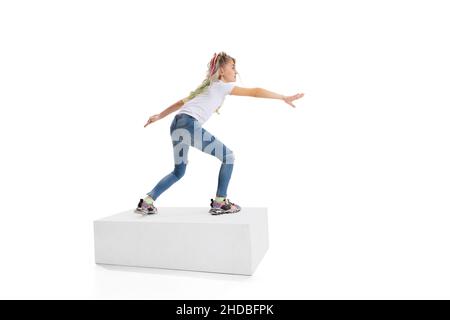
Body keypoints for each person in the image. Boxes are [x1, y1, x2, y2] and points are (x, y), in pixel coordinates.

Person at [135, 51, 304, 215]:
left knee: (178, 172)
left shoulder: (207, 87)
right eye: (232, 66)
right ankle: (220, 202)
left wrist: (159, 116)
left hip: (177, 125)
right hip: (188, 125)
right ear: (222, 71)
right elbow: (255, 92)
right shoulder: (222, 86)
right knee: (228, 157)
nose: (236, 71)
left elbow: (180, 103)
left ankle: (147, 202)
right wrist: (282, 97)